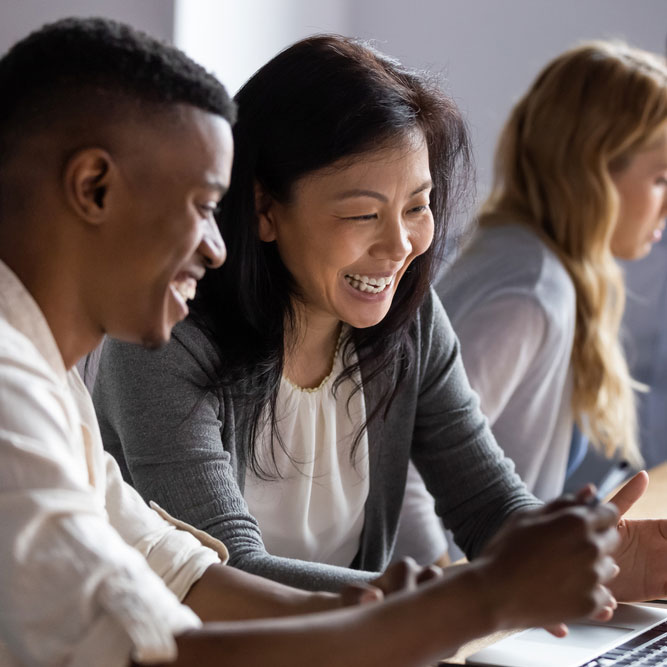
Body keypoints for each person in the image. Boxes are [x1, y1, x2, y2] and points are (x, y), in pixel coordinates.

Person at [0, 18, 625, 667]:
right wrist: (480, 596)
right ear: (93, 187)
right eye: (201, 205)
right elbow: (154, 654)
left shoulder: (47, 374)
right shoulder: (11, 391)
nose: (216, 246)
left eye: (418, 205)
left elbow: (178, 570)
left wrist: (570, 564)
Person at [437, 40, 666, 499]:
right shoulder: (530, 296)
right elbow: (415, 475)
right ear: (595, 172)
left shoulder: (531, 259)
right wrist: (457, 573)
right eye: (661, 178)